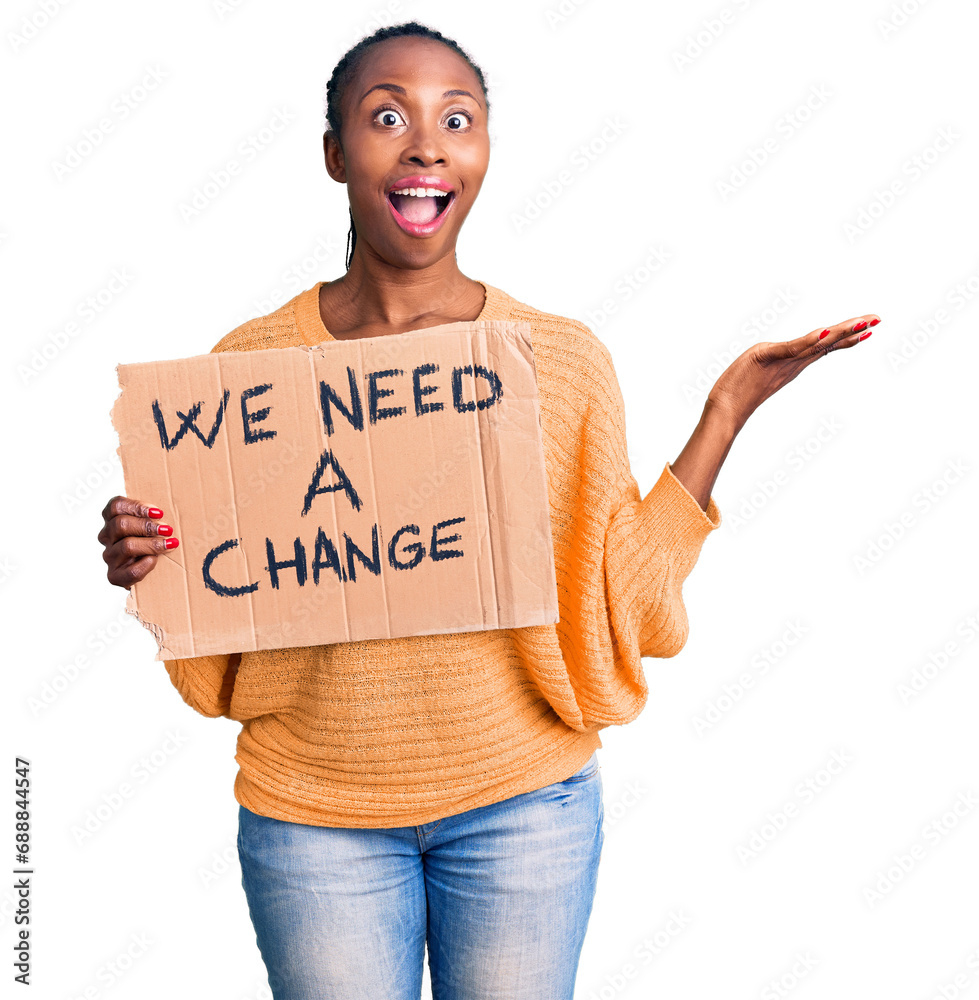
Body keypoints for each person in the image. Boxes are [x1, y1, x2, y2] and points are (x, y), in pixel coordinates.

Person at [97, 20, 879, 1000]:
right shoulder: (246, 373)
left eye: (456, 119)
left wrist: (725, 410)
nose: (426, 142)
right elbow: (222, 644)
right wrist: (153, 563)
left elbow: (620, 597)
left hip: (524, 807)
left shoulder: (556, 362)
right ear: (338, 154)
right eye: (389, 116)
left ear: (481, 155)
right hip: (313, 816)